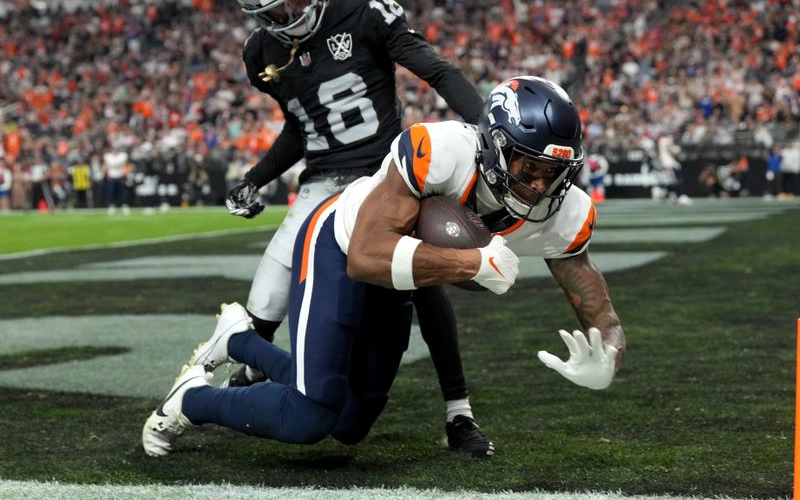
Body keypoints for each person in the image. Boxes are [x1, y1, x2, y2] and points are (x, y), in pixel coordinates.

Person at [142, 76, 627, 457]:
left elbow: (592, 296)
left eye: (554, 173)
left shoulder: (566, 213)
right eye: (529, 168)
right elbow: (366, 256)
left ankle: (238, 340)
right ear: (495, 147)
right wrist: (471, 261)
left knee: (350, 423)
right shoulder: (440, 151)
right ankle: (191, 400)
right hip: (339, 243)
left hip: (399, 277)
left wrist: (609, 354)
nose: (541, 188)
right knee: (312, 415)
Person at [221, 0, 491, 455]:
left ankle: (459, 412)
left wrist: (489, 130)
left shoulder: (362, 9)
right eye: (276, 11)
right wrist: (256, 176)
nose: (292, 13)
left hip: (388, 173)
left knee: (427, 280)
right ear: (254, 15)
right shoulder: (260, 52)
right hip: (322, 183)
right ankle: (241, 373)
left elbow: (437, 70)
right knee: (266, 296)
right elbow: (299, 127)